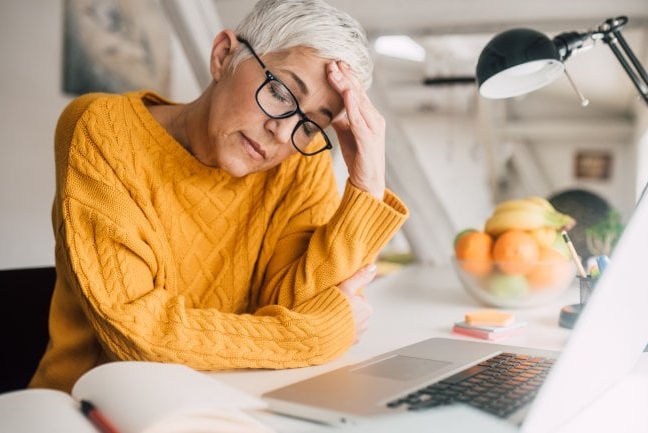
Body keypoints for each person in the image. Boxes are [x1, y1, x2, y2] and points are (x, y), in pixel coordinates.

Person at [29, 0, 408, 393]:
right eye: (280, 92)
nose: (283, 133)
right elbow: (137, 336)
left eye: (312, 123)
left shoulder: (298, 163)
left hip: (235, 400)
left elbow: (315, 307)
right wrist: (314, 336)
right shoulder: (104, 129)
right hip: (94, 406)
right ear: (223, 55)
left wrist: (368, 186)